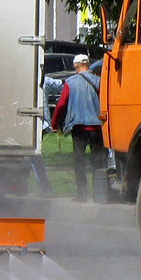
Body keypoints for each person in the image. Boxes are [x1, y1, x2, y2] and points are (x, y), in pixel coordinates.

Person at [51, 54, 104, 202]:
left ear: (75, 66)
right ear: (87, 65)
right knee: (98, 162)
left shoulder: (70, 82)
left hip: (78, 127)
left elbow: (61, 104)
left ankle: (81, 195)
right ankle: (98, 195)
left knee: (79, 162)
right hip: (96, 127)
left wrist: (54, 123)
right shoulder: (99, 81)